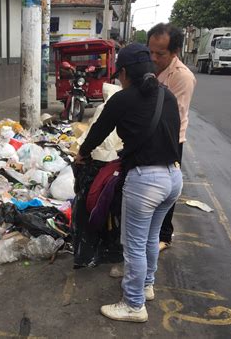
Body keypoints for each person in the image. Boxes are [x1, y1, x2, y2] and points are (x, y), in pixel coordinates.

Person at [75, 43, 183, 322]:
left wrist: (82, 154)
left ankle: (134, 305)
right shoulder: (167, 96)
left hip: (146, 180)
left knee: (134, 244)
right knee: (150, 237)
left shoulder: (123, 99)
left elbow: (98, 132)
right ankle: (146, 286)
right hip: (173, 177)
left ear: (123, 72)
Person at [147, 23, 197, 251]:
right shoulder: (149, 68)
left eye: (160, 54)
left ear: (174, 52)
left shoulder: (182, 77)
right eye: (151, 52)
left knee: (167, 189)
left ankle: (164, 235)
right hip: (146, 135)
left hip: (170, 139)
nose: (154, 58)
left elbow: (171, 116)